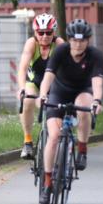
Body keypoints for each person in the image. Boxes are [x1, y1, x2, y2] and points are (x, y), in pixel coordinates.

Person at [37, 19, 103, 204]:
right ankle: (48, 182)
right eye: (74, 40)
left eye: (82, 41)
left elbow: (97, 83)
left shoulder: (95, 55)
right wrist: (42, 95)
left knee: (85, 107)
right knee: (54, 136)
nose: (78, 44)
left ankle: (82, 149)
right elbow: (48, 77)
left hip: (83, 91)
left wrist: (97, 100)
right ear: (69, 40)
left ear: (88, 41)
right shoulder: (60, 51)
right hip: (59, 92)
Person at [17, 13, 65, 159]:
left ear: (54, 32)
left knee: (61, 107)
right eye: (40, 32)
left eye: (48, 32)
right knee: (27, 101)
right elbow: (22, 68)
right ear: (35, 32)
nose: (44, 36)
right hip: (34, 82)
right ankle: (27, 142)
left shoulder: (59, 44)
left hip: (54, 83)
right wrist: (21, 88)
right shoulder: (32, 43)